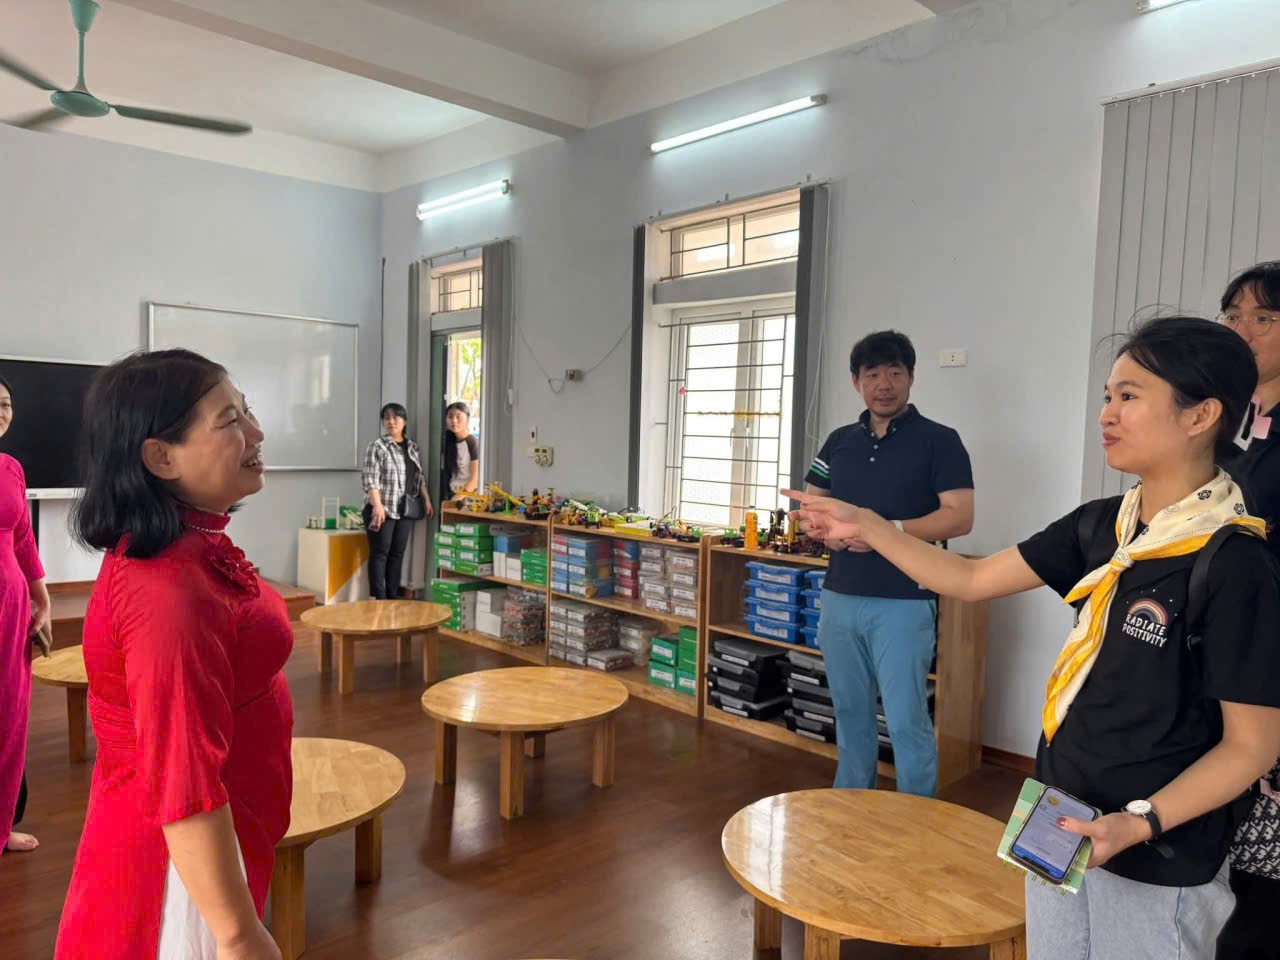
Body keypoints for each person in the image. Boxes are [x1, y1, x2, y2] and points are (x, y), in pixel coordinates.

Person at [789, 317, 1280, 960]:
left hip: (1159, 845)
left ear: (1200, 415)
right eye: (1107, 396)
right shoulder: (1102, 525)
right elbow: (970, 579)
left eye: (1129, 396)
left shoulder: (1235, 561)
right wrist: (870, 526)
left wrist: (1139, 823)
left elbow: (1252, 745)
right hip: (1058, 806)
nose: (1106, 413)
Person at [56, 349, 290, 960]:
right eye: (230, 420)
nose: (256, 433)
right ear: (160, 457)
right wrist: (239, 935)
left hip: (219, 829)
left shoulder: (189, 541)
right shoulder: (167, 593)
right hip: (179, 869)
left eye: (247, 411)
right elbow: (184, 781)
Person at [802, 330, 973, 797]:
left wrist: (886, 532)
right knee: (850, 712)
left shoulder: (940, 440)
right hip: (840, 596)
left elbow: (960, 517)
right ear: (856, 382)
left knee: (905, 720)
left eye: (895, 372)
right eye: (873, 374)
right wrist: (826, 533)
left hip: (904, 600)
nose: (884, 384)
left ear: (911, 378)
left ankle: (917, 818)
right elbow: (813, 508)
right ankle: (851, 804)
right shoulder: (838, 442)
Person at [1216, 262, 1280, 960]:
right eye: (1233, 317)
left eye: (1262, 319)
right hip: (1232, 649)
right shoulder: (1238, 423)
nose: (1243, 331)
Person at [0, 374, 50, 854]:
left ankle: (0, 826)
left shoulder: (10, 467)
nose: (1, 411)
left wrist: (42, 597)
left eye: (6, 403)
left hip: (10, 604)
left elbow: (22, 539)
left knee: (9, 715)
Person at [362, 402, 433, 600]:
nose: (391, 422)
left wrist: (426, 499)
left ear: (405, 421)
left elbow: (419, 477)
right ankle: (378, 599)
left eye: (396, 418)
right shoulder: (377, 446)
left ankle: (393, 597)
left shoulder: (412, 448)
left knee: (397, 554)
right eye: (387, 418)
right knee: (380, 554)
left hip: (405, 510)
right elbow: (370, 479)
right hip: (382, 509)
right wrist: (377, 506)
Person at [442, 401, 480, 500]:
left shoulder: (472, 442)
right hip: (452, 493)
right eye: (450, 417)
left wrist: (457, 498)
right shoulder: (448, 442)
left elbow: (475, 480)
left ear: (467, 420)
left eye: (458, 417)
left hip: (467, 498)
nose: (454, 421)